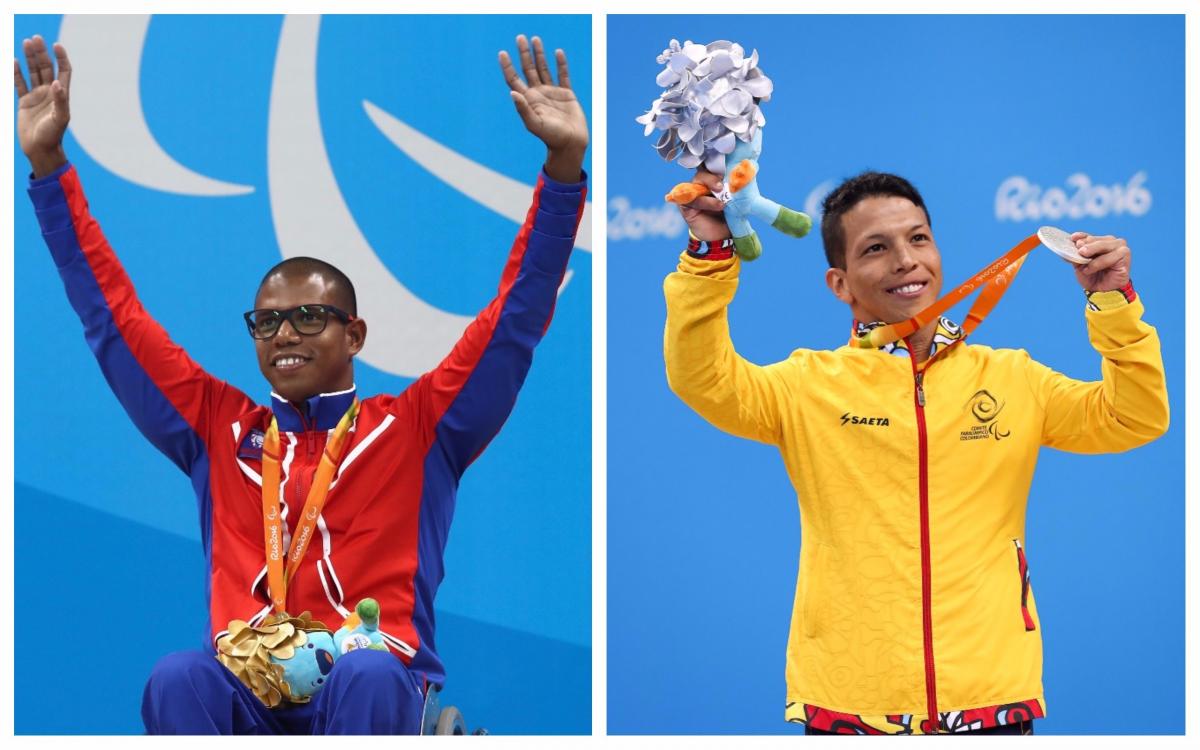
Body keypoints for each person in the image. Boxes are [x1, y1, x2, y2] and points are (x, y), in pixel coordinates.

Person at [15, 32, 588, 735]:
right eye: (267, 322)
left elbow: (516, 319)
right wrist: (49, 171)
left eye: (310, 316)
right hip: (246, 692)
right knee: (177, 677)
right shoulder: (215, 427)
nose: (284, 333)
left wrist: (563, 170)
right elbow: (111, 318)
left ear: (356, 335)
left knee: (369, 671)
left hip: (373, 690)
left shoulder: (419, 426)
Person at [664, 169, 1167, 735]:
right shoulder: (806, 386)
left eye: (918, 238)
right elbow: (702, 377)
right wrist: (709, 254)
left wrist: (1113, 302)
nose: (906, 260)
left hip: (989, 696)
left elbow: (1135, 416)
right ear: (841, 283)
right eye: (876, 248)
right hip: (852, 703)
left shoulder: (1012, 378)